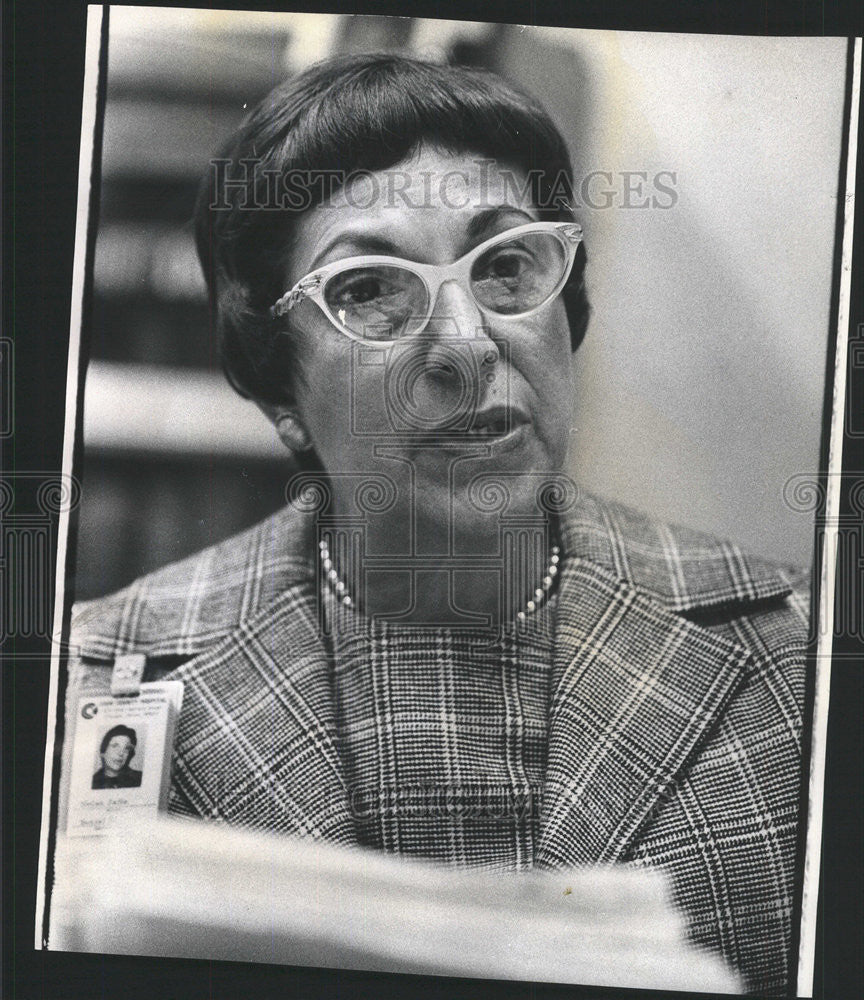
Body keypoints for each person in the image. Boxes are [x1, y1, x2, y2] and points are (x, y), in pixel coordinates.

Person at [67, 54, 809, 994]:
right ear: (280, 388)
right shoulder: (93, 678)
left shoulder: (797, 658)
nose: (464, 341)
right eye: (371, 288)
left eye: (505, 266)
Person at [92, 724, 142, 790]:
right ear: (103, 753)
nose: (121, 753)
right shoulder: (93, 782)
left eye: (126, 748)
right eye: (115, 746)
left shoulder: (140, 778)